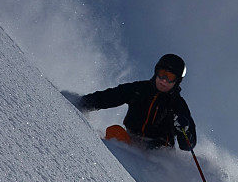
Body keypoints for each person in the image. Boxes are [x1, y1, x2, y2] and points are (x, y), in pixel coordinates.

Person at [65, 54, 196, 150]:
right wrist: (81, 103)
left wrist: (185, 130)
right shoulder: (139, 89)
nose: (164, 81)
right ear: (156, 72)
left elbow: (188, 146)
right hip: (131, 140)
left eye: (170, 78)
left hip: (157, 151)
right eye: (162, 74)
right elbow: (111, 96)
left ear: (177, 81)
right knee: (114, 131)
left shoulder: (178, 105)